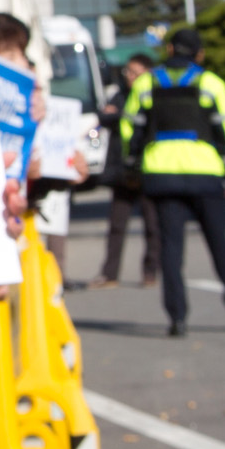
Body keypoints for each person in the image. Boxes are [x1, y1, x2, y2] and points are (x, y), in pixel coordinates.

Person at [119, 29, 225, 336]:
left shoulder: (146, 84)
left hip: (161, 173)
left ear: (169, 49)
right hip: (205, 173)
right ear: (200, 54)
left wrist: (132, 167)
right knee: (219, 244)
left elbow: (131, 129)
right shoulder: (211, 83)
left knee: (171, 248)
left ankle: (177, 318)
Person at [91, 54, 161, 289]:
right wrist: (114, 115)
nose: (130, 77)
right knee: (117, 224)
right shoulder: (119, 94)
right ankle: (109, 274)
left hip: (147, 168)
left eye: (136, 73)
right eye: (128, 72)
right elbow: (103, 116)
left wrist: (118, 115)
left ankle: (150, 271)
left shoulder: (153, 95)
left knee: (152, 224)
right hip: (122, 170)